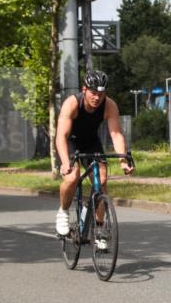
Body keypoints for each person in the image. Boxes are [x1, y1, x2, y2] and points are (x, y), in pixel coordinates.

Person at [54, 70, 133, 241]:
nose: (97, 98)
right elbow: (61, 136)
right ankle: (63, 212)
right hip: (71, 142)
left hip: (91, 142)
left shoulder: (109, 105)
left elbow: (116, 134)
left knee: (102, 181)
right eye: (94, 93)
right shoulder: (72, 103)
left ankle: (99, 228)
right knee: (72, 177)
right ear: (84, 89)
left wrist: (122, 160)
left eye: (101, 94)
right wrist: (66, 163)